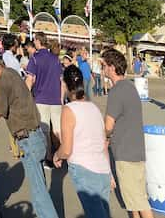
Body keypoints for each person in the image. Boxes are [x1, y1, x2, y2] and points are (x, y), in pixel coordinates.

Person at [0, 45, 59, 218]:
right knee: (40, 187)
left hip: (29, 139)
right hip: (35, 137)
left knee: (39, 194)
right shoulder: (11, 73)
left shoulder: (4, 80)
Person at [53, 65, 111, 218]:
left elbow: (66, 149)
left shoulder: (68, 110)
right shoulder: (94, 108)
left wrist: (56, 155)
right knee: (102, 213)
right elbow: (104, 143)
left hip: (84, 169)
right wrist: (110, 174)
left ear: (65, 84)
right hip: (103, 169)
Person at [101, 48, 153, 218]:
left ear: (112, 67)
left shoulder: (117, 91)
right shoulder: (129, 86)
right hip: (136, 150)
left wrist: (105, 137)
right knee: (133, 201)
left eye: (104, 65)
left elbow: (108, 125)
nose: (102, 69)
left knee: (138, 201)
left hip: (126, 153)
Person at [25, 33, 64, 166]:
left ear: (37, 41)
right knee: (57, 129)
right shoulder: (55, 59)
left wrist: (25, 97)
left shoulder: (35, 59)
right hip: (56, 98)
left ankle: (48, 157)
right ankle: (61, 154)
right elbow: (61, 80)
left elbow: (30, 79)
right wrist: (62, 98)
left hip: (41, 98)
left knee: (45, 130)